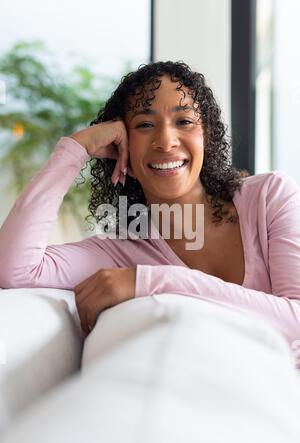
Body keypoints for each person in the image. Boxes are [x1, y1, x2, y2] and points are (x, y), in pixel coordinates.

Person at [0, 60, 300, 367]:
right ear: (122, 146)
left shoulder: (268, 197)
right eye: (144, 125)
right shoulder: (121, 253)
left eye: (184, 121)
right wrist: (77, 147)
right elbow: (15, 269)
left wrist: (150, 281)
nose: (166, 141)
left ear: (206, 136)